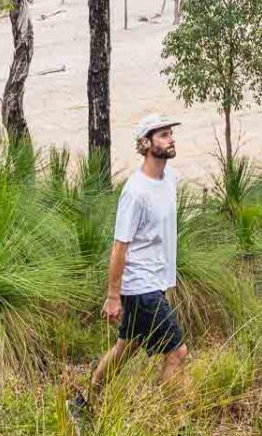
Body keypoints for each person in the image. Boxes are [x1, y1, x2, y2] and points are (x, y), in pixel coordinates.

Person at [76, 115, 188, 411]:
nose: (170, 139)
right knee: (177, 353)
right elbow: (119, 248)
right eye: (163, 135)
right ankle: (179, 426)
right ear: (146, 144)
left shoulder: (169, 179)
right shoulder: (135, 192)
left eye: (170, 134)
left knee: (127, 347)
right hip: (141, 287)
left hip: (155, 283)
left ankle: (84, 402)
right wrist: (113, 297)